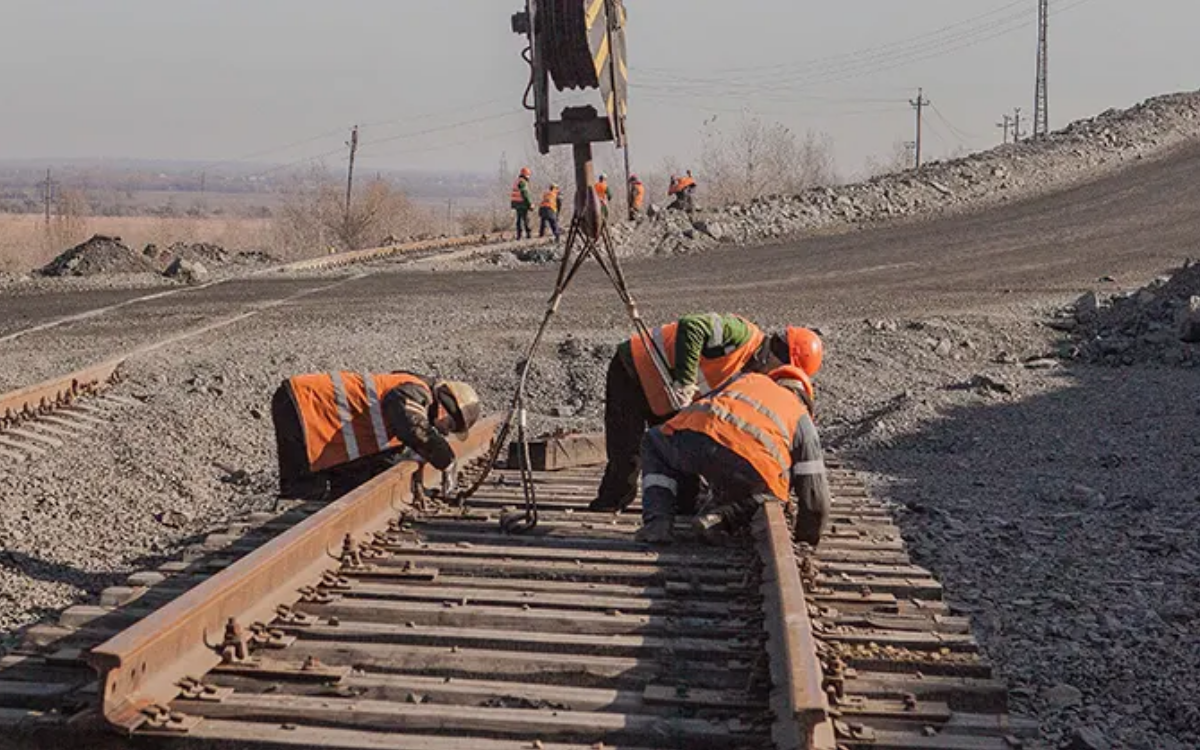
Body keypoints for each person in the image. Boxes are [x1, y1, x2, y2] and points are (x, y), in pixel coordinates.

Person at [590, 316, 824, 513]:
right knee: (627, 452)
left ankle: (681, 510)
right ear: (780, 358)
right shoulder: (742, 334)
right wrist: (685, 381)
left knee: (680, 460)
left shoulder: (751, 374)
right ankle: (609, 505)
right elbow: (692, 326)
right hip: (634, 366)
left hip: (664, 394)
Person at [636, 365, 831, 546]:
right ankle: (718, 519)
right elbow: (815, 497)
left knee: (655, 442)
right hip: (752, 463)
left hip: (699, 433)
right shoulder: (800, 415)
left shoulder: (746, 379)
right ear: (806, 399)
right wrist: (806, 540)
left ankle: (658, 523)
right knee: (772, 495)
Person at [271, 371, 481, 500]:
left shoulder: (414, 394)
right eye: (449, 425)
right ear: (445, 407)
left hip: (312, 410)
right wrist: (445, 458)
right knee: (304, 489)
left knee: (343, 482)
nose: (445, 432)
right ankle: (288, 527)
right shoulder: (416, 390)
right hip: (304, 402)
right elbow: (412, 426)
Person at [511, 167, 534, 240]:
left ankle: (519, 235)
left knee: (519, 219)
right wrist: (530, 204)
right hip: (522, 203)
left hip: (516, 203)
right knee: (526, 219)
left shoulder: (517, 181)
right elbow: (525, 194)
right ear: (526, 175)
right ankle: (528, 234)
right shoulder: (523, 182)